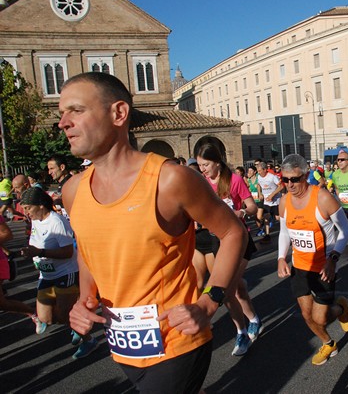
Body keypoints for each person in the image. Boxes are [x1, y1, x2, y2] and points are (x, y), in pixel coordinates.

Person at [60, 72, 247, 392]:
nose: (64, 122)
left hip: (176, 342)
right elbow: (88, 250)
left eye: (76, 111)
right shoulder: (73, 190)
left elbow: (233, 233)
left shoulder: (169, 180)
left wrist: (209, 301)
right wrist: (84, 299)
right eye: (61, 114)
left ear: (119, 113)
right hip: (122, 345)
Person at [276, 154, 348, 365]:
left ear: (307, 176)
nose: (290, 184)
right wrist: (281, 258)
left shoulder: (323, 198)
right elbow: (285, 232)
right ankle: (328, 344)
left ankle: (341, 309)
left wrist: (333, 259)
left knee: (320, 318)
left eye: (295, 179)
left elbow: (345, 229)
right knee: (306, 314)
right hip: (300, 265)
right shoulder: (284, 201)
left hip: (323, 266)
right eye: (285, 180)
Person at [196, 143, 262, 355]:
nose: (202, 169)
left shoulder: (234, 180)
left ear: (217, 162)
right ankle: (253, 319)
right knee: (238, 288)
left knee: (228, 290)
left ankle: (241, 332)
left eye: (205, 164)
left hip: (239, 240)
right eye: (199, 165)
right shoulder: (201, 183)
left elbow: (252, 206)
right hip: (217, 241)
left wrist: (241, 212)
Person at [19, 187, 97, 358]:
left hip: (65, 273)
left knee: (64, 314)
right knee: (45, 318)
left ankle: (88, 339)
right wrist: (31, 252)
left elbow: (68, 252)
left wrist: (39, 253)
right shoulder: (36, 221)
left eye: (28, 208)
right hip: (46, 275)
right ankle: (76, 321)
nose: (25, 212)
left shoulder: (56, 222)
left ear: (40, 205)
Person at [256, 162, 284, 244]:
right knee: (265, 217)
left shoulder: (272, 177)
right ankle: (267, 235)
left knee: (278, 218)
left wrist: (272, 195)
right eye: (258, 171)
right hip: (266, 200)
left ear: (265, 170)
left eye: (260, 171)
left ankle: (287, 233)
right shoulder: (259, 177)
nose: (259, 172)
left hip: (275, 200)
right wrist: (260, 193)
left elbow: (281, 186)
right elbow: (258, 185)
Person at [247, 166, 265, 236]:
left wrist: (260, 194)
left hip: (259, 200)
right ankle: (261, 228)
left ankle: (265, 220)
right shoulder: (248, 180)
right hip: (253, 201)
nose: (249, 172)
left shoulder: (259, 179)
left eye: (251, 171)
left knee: (259, 217)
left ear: (255, 172)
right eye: (248, 171)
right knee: (256, 218)